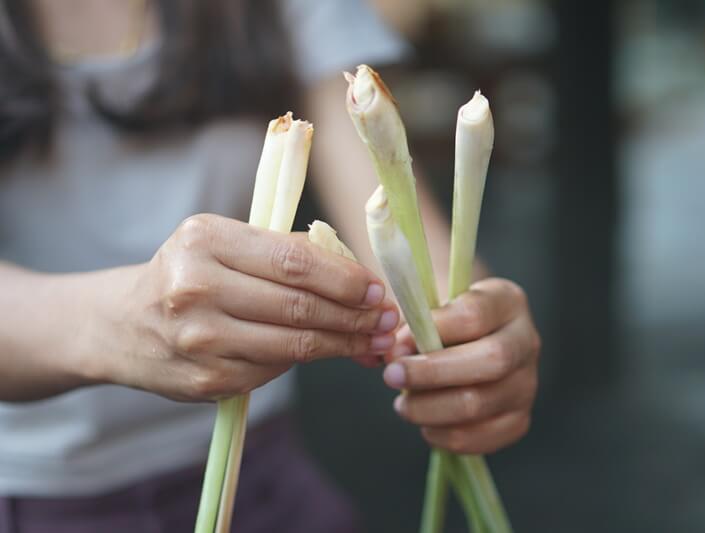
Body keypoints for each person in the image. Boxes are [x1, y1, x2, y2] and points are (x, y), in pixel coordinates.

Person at [0, 0, 541, 531]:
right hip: (28, 489)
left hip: (259, 471)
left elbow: (386, 203)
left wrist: (469, 329)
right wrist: (119, 320)